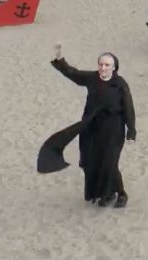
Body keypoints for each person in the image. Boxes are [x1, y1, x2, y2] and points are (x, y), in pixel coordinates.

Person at [42, 44, 136, 208]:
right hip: (92, 127)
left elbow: (128, 107)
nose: (103, 67)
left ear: (114, 67)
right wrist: (59, 59)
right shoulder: (92, 78)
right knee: (94, 160)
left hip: (114, 128)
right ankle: (105, 194)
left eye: (107, 65)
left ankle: (121, 193)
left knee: (110, 162)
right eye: (101, 64)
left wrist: (131, 131)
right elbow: (73, 74)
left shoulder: (120, 84)